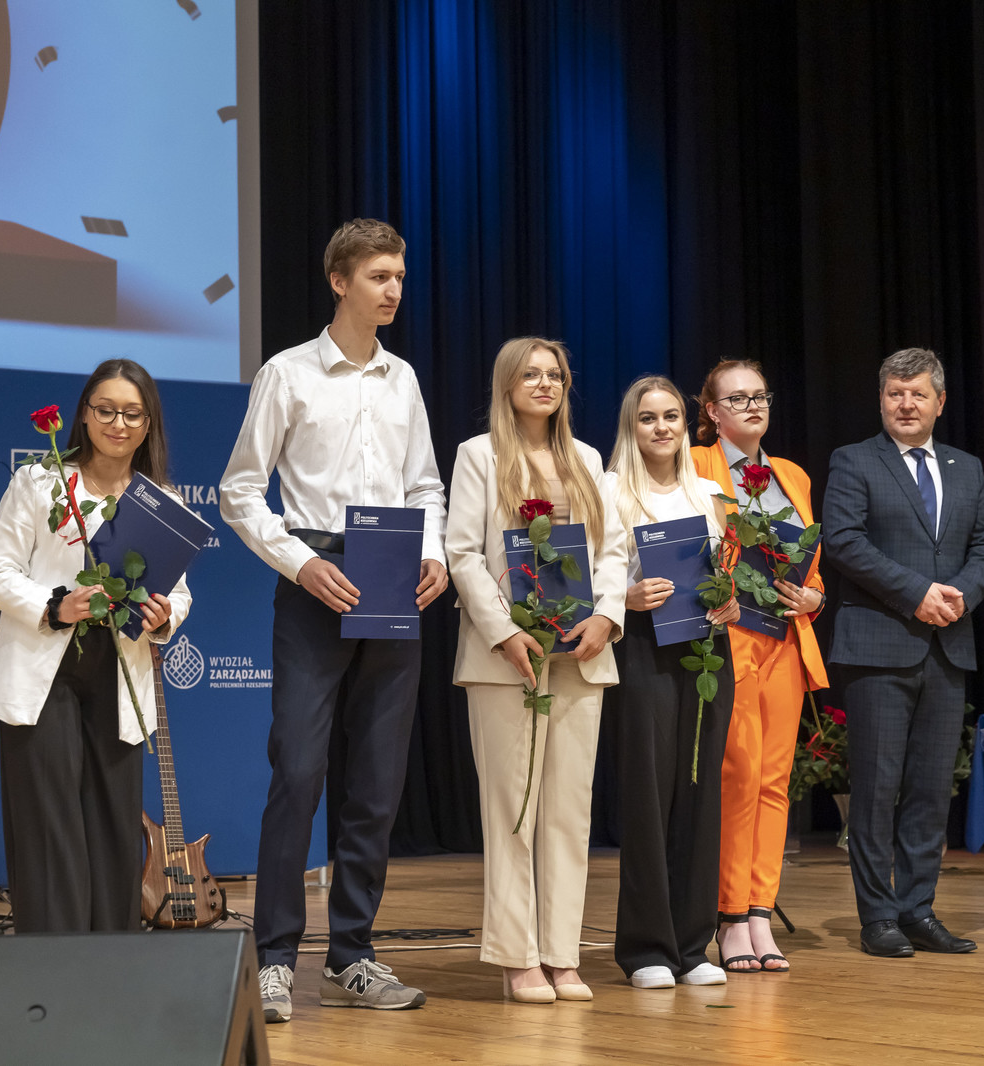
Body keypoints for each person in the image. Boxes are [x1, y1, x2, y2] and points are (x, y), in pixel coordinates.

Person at [219, 219, 448, 1020]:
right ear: (339, 281)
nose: (394, 289)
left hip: (391, 572)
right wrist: (300, 563)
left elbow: (425, 485)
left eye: (400, 276)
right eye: (380, 275)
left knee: (378, 782)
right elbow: (240, 490)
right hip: (315, 576)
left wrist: (436, 553)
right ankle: (276, 959)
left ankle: (352, 955)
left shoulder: (403, 379)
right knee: (299, 771)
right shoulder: (287, 373)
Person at [0, 359, 191, 934]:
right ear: (85, 415)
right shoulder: (41, 481)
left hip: (119, 666)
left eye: (132, 414)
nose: (118, 423)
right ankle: (54, 962)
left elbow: (178, 591)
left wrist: (164, 615)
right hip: (46, 663)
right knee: (51, 825)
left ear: (148, 424)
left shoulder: (161, 498)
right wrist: (55, 605)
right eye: (106, 410)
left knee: (114, 822)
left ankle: (110, 961)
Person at [446, 337, 625, 1003]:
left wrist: (607, 616)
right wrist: (503, 631)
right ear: (507, 385)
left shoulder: (587, 458)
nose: (545, 384)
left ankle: (562, 955)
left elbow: (612, 552)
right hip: (507, 657)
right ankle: (518, 957)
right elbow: (463, 554)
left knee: (569, 814)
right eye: (531, 374)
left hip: (580, 652)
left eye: (555, 375)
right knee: (513, 812)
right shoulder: (478, 455)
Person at [822, 348, 984, 958]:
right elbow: (844, 542)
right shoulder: (854, 460)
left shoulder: (966, 467)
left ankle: (918, 909)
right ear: (881, 400)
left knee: (930, 789)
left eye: (918, 394)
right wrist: (917, 593)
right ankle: (878, 916)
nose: (906, 404)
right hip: (878, 647)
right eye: (895, 393)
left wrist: (960, 596)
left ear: (939, 402)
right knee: (875, 790)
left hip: (948, 646)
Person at [603, 376, 741, 990]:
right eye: (647, 418)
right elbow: (591, 576)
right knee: (648, 796)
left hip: (708, 651)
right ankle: (646, 949)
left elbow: (728, 573)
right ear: (630, 428)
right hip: (642, 649)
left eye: (671, 417)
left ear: (687, 426)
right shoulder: (609, 490)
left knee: (700, 794)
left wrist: (731, 602)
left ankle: (692, 945)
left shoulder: (710, 494)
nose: (661, 428)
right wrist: (624, 598)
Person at [691, 359, 827, 974]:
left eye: (760, 397)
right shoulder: (697, 465)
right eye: (737, 398)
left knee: (775, 779)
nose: (752, 407)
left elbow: (811, 562)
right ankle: (727, 915)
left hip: (785, 639)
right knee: (738, 776)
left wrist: (816, 595)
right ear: (712, 412)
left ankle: (759, 913)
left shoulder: (791, 474)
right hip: (731, 637)